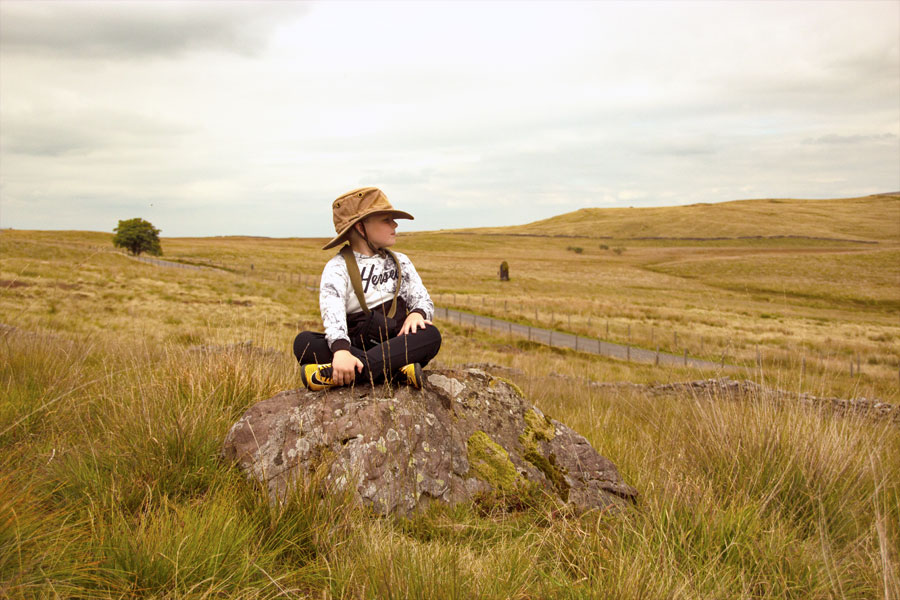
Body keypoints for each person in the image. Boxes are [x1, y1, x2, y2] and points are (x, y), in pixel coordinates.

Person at [293, 187, 441, 391]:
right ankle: (396, 373)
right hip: (356, 345)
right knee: (304, 343)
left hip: (396, 345)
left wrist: (417, 313)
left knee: (431, 335)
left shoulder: (401, 262)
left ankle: (343, 373)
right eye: (386, 219)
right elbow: (333, 316)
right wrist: (341, 351)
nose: (395, 224)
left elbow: (423, 300)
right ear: (361, 227)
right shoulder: (337, 268)